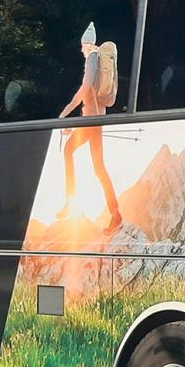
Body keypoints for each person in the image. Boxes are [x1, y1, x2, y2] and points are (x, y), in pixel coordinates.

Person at [57, 22, 123, 227]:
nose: (82, 50)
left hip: (91, 121)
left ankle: (71, 202)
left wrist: (65, 113)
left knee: (69, 151)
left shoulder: (92, 59)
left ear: (87, 45)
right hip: (97, 119)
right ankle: (115, 214)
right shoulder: (101, 59)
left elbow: (85, 88)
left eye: (83, 46)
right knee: (98, 167)